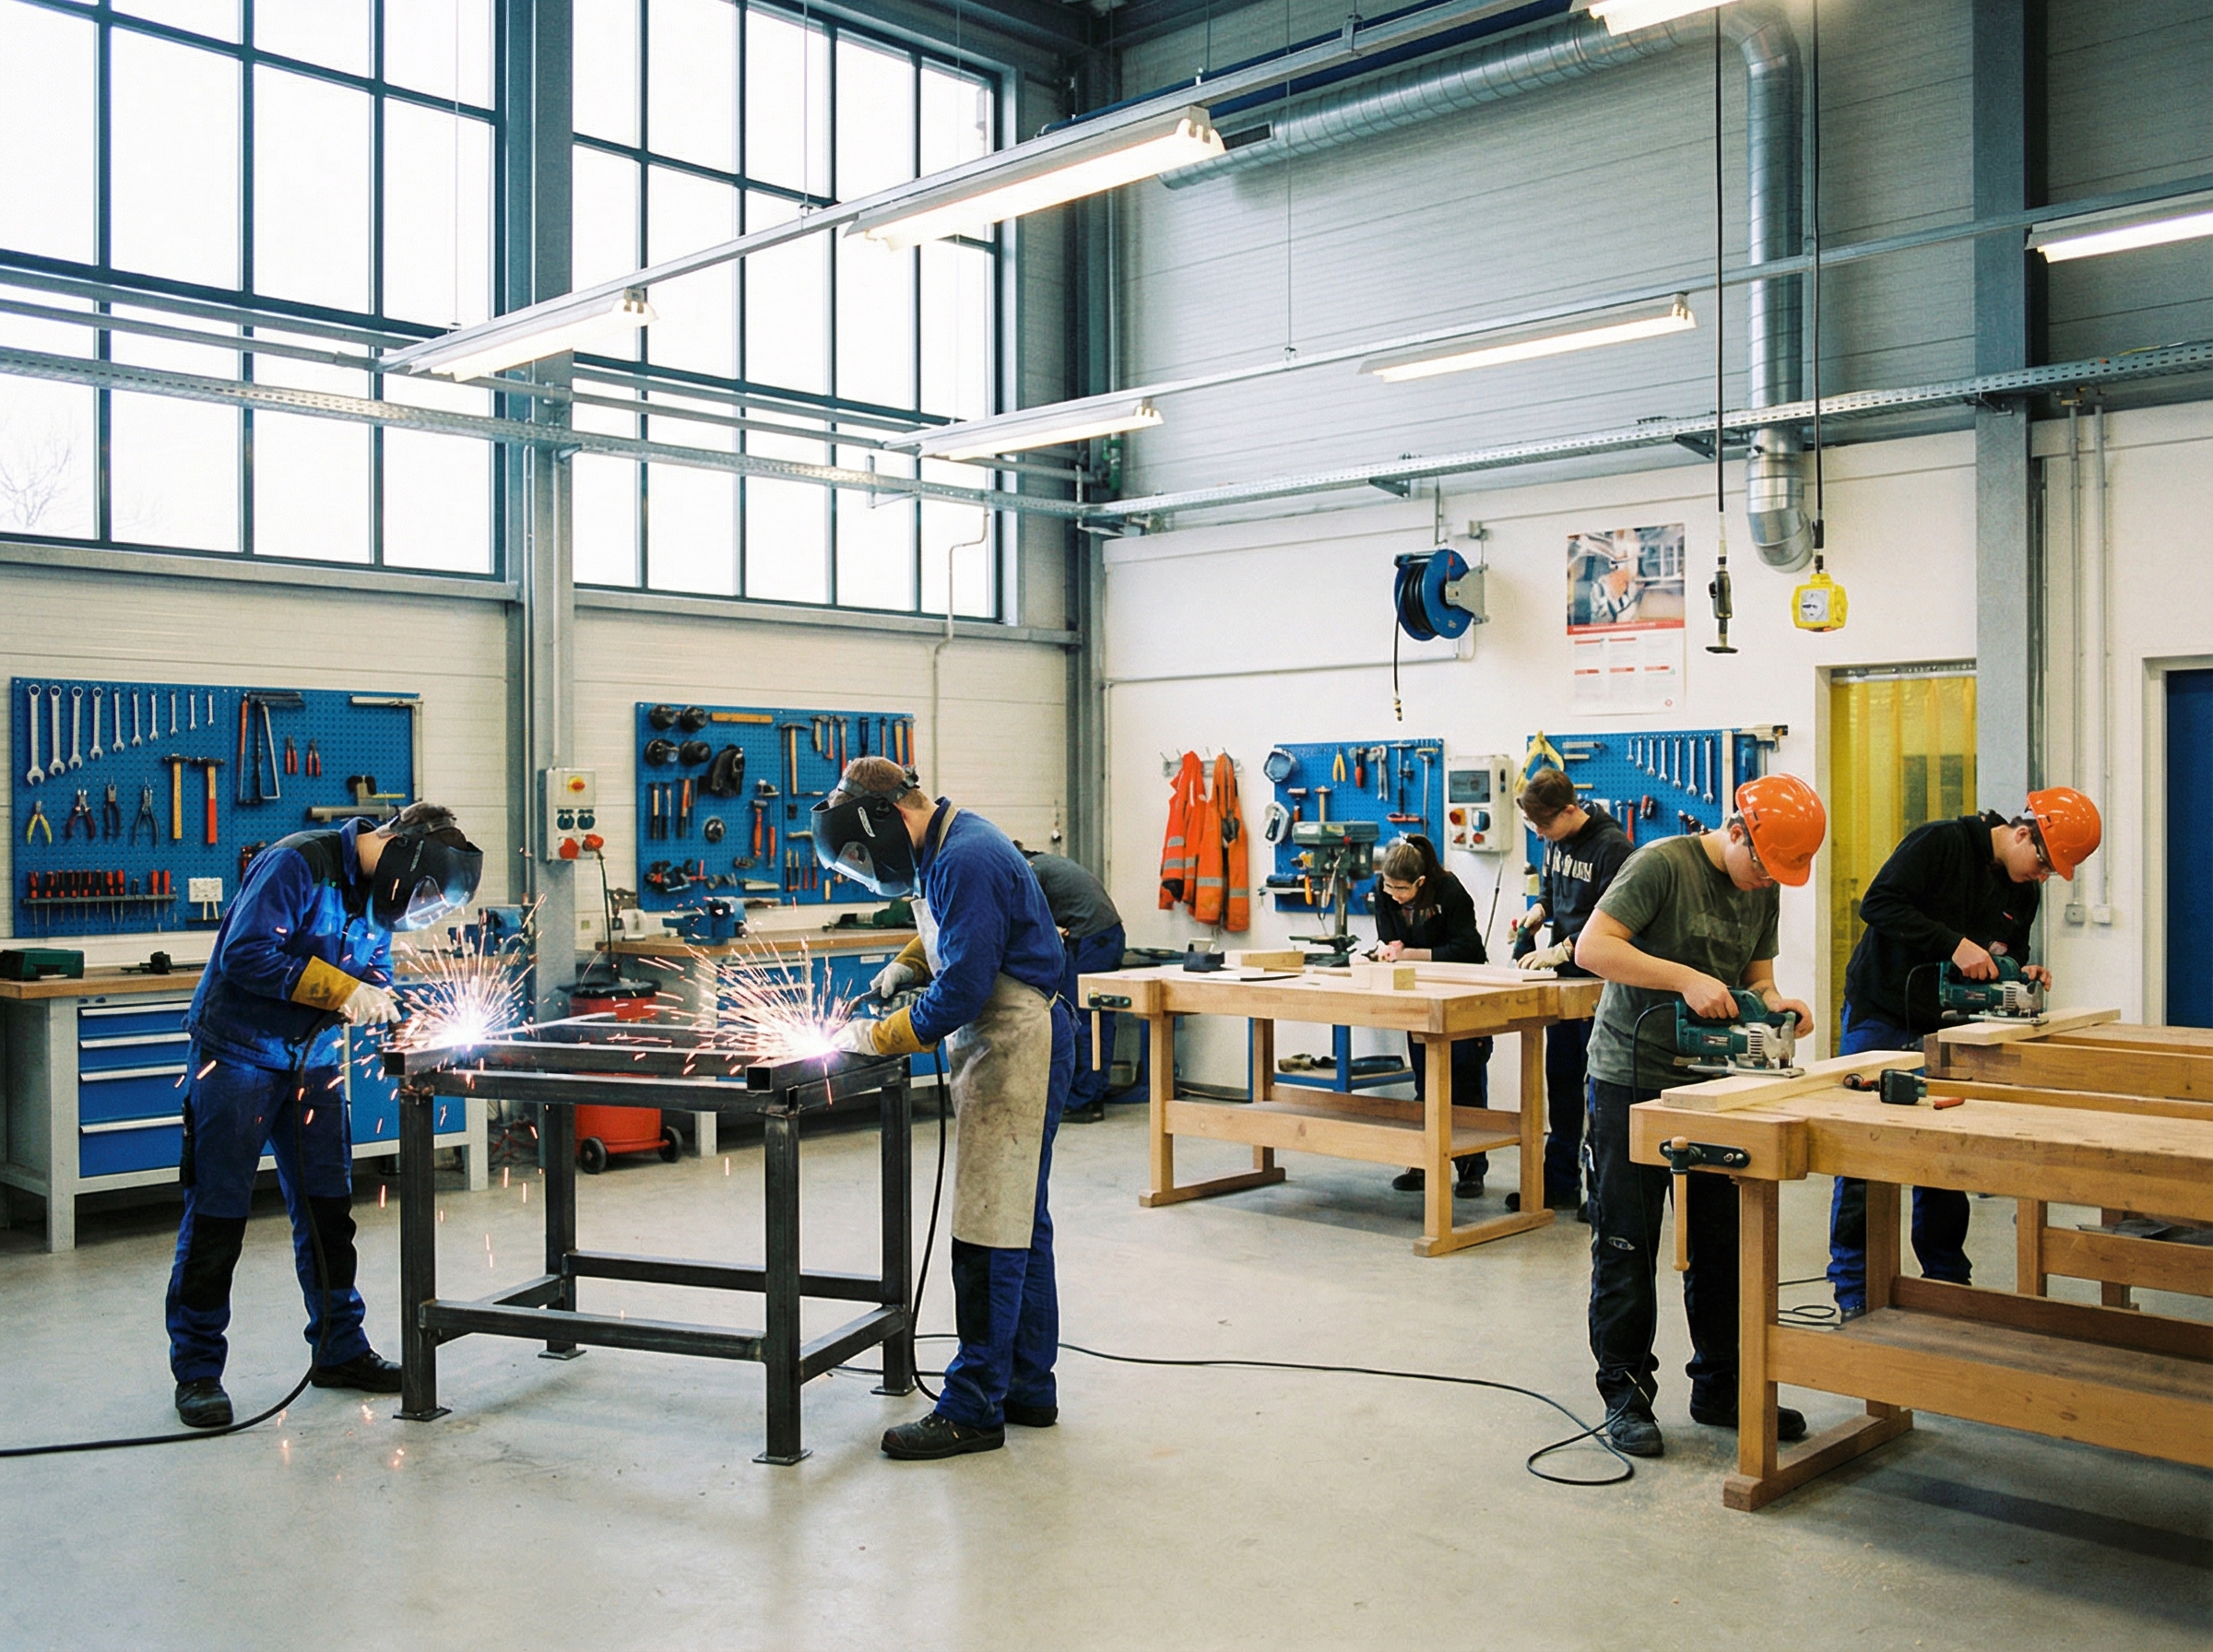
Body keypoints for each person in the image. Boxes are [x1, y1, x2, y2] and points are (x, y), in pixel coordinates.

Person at [167, 803, 483, 1429]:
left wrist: (386, 1001)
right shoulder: (297, 863)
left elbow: (374, 969)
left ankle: (339, 1349)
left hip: (312, 1064)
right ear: (400, 851)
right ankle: (198, 1371)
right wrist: (343, 990)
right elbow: (246, 955)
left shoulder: (379, 896)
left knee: (328, 1214)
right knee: (217, 1217)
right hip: (236, 1058)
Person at [818, 759, 1076, 1462]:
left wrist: (879, 1038)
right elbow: (960, 928)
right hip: (1008, 1039)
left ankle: (972, 1409)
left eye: (863, 855)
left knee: (989, 1229)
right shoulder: (950, 843)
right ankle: (1027, 1386)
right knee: (1021, 1222)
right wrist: (909, 960)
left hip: (1017, 1043)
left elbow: (963, 990)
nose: (869, 870)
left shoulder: (966, 856)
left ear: (886, 819)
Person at [1572, 774, 1825, 1459]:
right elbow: (1592, 949)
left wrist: (1778, 1004)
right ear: (1737, 832)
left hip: (1714, 1085)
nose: (1763, 882)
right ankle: (1626, 1396)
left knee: (1720, 1246)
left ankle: (1722, 1388)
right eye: (1761, 867)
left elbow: (1756, 976)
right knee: (1627, 1243)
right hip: (1631, 1076)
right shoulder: (1660, 865)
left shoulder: (1763, 883)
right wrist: (1683, 977)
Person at [1827, 786, 2102, 1317]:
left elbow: (2006, 954)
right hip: (1881, 1013)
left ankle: (1947, 1281)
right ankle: (1855, 1291)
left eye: (2052, 871)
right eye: (2044, 863)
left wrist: (2021, 972)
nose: (2043, 876)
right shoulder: (1940, 844)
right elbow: (1877, 904)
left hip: (1951, 1029)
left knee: (1946, 1158)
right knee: (1860, 1156)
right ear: (2022, 833)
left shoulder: (2024, 891)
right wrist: (1952, 943)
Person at [1509, 768, 1633, 1219]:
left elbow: (1618, 919)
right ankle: (1559, 1184)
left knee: (1598, 1091)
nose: (1540, 834)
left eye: (1545, 825)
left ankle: (1600, 1195)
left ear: (1568, 810)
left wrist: (1564, 948)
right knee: (1561, 1085)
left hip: (1599, 984)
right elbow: (1552, 888)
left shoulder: (1613, 848)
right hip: (1564, 982)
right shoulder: (1554, 839)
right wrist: (1538, 911)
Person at [1371, 834, 1492, 1199]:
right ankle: (1422, 1160)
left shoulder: (1450, 892)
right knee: (1425, 1080)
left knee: (1465, 1082)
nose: (1394, 895)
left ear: (1421, 882)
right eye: (1389, 887)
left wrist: (1410, 954)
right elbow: (1388, 939)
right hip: (1419, 994)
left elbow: (1468, 949)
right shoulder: (1384, 893)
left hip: (1462, 991)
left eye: (1402, 889)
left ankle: (1471, 1168)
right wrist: (1385, 953)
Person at [1020, 848, 1128, 1125]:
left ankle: (1084, 1099)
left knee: (1085, 1018)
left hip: (1091, 939)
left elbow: (1025, 919)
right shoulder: (1048, 863)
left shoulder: (1030, 869)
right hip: (1106, 935)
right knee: (1099, 1017)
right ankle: (1095, 1090)